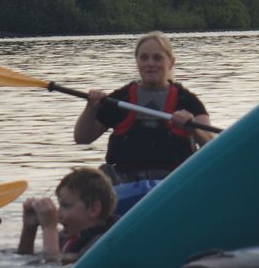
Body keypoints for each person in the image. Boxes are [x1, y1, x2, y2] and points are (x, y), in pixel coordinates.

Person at [73, 32, 213, 183]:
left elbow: (212, 147)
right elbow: (82, 138)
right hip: (124, 183)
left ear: (171, 62)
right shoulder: (120, 98)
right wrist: (91, 108)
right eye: (144, 58)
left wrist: (194, 129)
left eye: (157, 58)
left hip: (172, 183)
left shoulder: (187, 101)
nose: (150, 63)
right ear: (137, 62)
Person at [17, 167, 118, 264]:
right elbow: (25, 258)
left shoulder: (104, 244)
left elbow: (51, 267)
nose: (58, 215)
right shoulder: (66, 236)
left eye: (66, 206)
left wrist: (49, 229)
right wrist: (29, 229)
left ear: (93, 209)